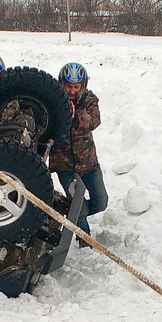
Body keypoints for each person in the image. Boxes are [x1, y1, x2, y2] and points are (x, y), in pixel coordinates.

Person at [49, 62, 108, 237]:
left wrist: (75, 116)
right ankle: (85, 240)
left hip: (88, 163)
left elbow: (94, 121)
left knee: (101, 202)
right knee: (79, 206)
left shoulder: (90, 99)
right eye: (69, 86)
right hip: (64, 164)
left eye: (76, 87)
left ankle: (67, 216)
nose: (72, 91)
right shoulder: (53, 100)